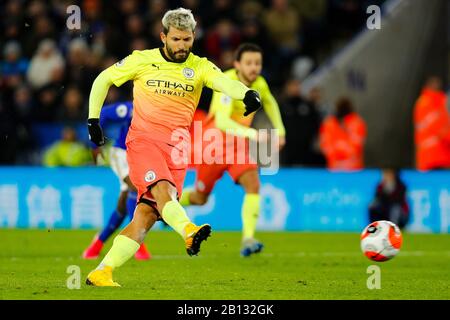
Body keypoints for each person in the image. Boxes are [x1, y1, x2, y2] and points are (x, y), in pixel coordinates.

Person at [85, 8, 262, 286]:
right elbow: (103, 79)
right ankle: (188, 230)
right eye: (177, 39)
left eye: (188, 40)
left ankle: (102, 271)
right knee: (163, 190)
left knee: (146, 214)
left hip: (178, 146)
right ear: (163, 36)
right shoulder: (142, 60)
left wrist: (247, 93)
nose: (182, 46)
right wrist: (93, 118)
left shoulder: (200, 66)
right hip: (144, 140)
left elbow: (225, 84)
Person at [179, 43, 286, 257]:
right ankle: (166, 204)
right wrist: (255, 135)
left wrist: (280, 130)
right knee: (200, 198)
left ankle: (248, 238)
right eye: (248, 63)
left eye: (257, 63)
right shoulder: (227, 83)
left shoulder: (260, 83)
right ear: (237, 64)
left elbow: (270, 102)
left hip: (237, 146)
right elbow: (222, 122)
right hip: (213, 145)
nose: (254, 68)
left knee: (253, 184)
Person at [82, 101, 151, 260]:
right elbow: (104, 113)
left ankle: (96, 245)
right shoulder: (133, 108)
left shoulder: (160, 110)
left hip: (140, 158)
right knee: (135, 189)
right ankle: (138, 243)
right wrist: (95, 145)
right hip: (121, 154)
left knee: (123, 205)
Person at [319, 97, 367, 170]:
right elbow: (325, 144)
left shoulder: (357, 122)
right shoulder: (329, 123)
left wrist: (341, 153)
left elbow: (358, 143)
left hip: (352, 167)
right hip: (336, 166)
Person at [413, 76, 450, 171]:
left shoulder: (438, 101)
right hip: (436, 157)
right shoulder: (428, 103)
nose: (437, 85)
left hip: (433, 157)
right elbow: (440, 129)